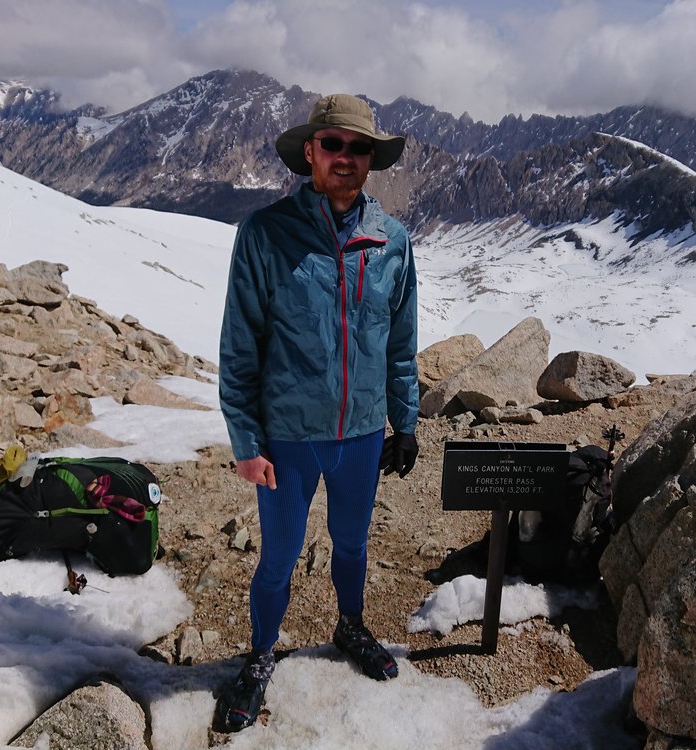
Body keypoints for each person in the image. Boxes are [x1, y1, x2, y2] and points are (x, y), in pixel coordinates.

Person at [214, 94, 420, 732]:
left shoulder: (391, 241)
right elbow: (239, 347)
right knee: (279, 555)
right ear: (309, 151)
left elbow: (401, 342)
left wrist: (405, 422)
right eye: (333, 144)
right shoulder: (266, 234)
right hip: (287, 436)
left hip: (361, 433)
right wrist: (247, 441)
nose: (346, 158)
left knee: (353, 544)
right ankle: (260, 654)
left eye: (359, 148)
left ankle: (350, 625)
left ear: (371, 160)